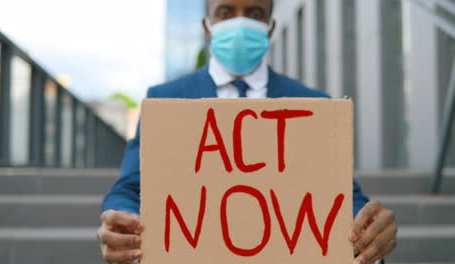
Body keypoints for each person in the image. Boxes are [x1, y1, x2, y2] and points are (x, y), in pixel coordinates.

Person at [97, 0, 398, 263]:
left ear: (269, 26)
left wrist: (369, 228)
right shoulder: (163, 100)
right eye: (225, 12)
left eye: (254, 13)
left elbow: (343, 195)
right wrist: (122, 225)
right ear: (207, 24)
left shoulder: (315, 105)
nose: (239, 24)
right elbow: (128, 188)